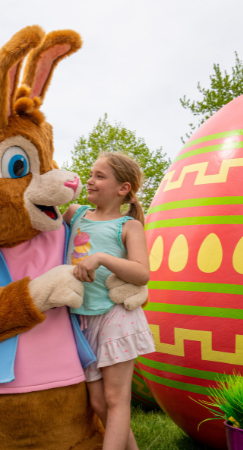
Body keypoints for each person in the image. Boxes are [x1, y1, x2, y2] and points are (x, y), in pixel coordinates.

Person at [62, 152, 156, 450]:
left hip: (116, 317)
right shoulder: (73, 214)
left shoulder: (128, 226)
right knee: (99, 401)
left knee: (116, 400)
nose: (90, 180)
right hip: (80, 318)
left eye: (100, 176)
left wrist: (101, 258)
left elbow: (142, 273)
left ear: (123, 188)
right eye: (91, 174)